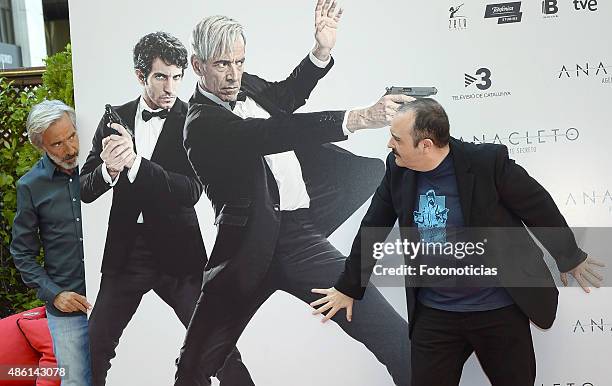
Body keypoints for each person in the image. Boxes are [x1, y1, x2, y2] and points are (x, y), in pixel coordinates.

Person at [174, 2, 414, 385]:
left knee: (393, 335)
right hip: (243, 255)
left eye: (239, 61)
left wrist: (320, 52)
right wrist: (360, 118)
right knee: (193, 368)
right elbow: (272, 134)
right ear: (197, 64)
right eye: (222, 65)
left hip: (299, 239)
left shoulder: (245, 83)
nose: (234, 74)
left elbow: (283, 98)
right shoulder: (200, 124)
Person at [316, 98, 605, 386]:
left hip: (498, 310)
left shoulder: (486, 164)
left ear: (426, 145)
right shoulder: (398, 170)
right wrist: (349, 287)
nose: (390, 145)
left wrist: (570, 257)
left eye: (396, 138)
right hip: (436, 316)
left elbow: (538, 206)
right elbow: (374, 227)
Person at [80, 32, 253, 386]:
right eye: (161, 77)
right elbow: (83, 189)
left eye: (177, 76)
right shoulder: (117, 117)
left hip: (180, 257)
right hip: (127, 254)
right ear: (141, 76)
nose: (170, 87)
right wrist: (109, 170)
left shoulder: (196, 120)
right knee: (93, 349)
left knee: (217, 348)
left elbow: (190, 191)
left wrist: (135, 163)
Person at [11, 99, 92, 385]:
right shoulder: (30, 186)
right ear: (40, 146)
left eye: (72, 136)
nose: (70, 149)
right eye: (57, 144)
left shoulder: (102, 169)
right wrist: (55, 294)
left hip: (113, 299)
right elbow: (21, 253)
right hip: (67, 311)